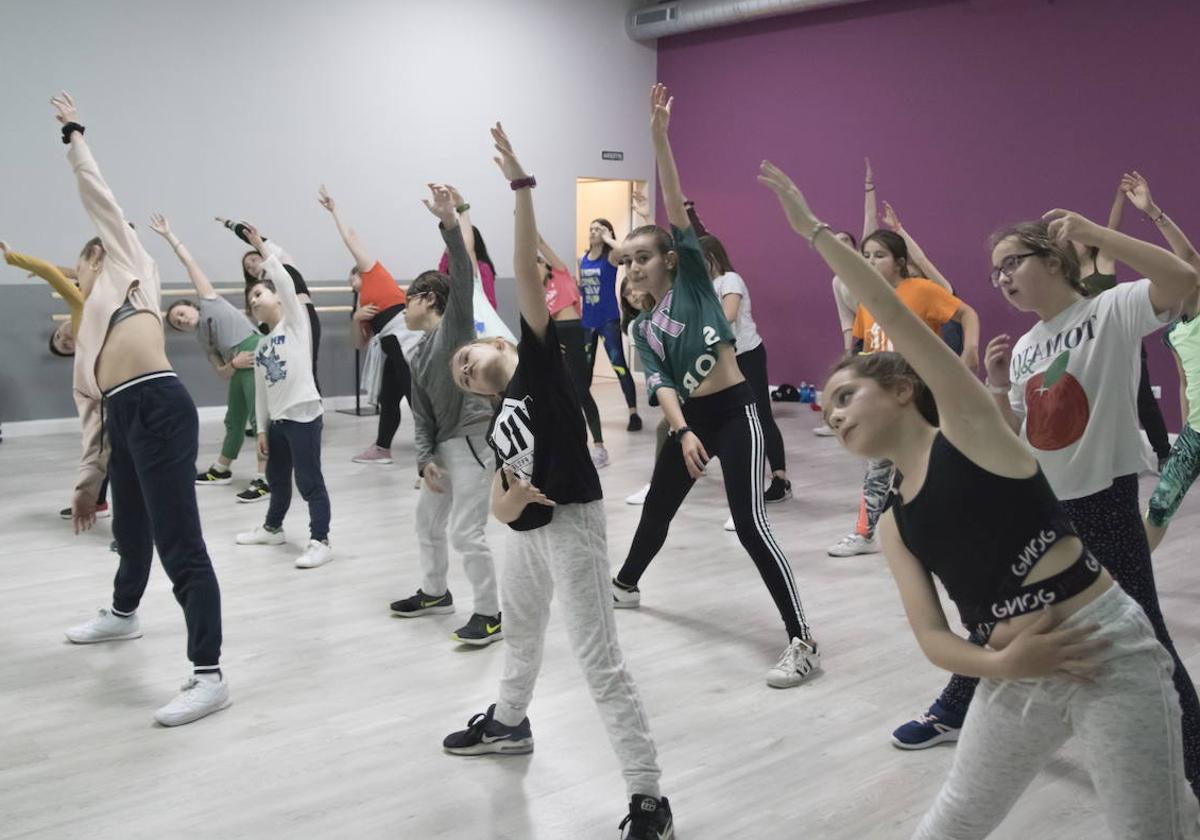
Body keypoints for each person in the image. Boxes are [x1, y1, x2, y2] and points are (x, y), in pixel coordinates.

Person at [759, 159, 1200, 838]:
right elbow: (935, 636)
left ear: (905, 388)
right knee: (950, 822)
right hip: (1019, 659)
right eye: (828, 407)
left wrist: (815, 231)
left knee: (1154, 821)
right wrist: (999, 664)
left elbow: (905, 327)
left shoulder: (975, 424)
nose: (835, 414)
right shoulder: (897, 522)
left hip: (1106, 636)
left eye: (847, 396)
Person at [890, 206, 1200, 795]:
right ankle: (955, 707)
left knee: (1147, 637)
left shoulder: (1108, 310)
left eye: (1012, 263)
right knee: (1004, 616)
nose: (1002, 278)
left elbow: (1184, 281)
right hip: (1040, 505)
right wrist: (1002, 383)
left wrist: (1097, 234)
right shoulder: (1030, 344)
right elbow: (1020, 440)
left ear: (1054, 260)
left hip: (1103, 503)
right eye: (995, 272)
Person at [443, 124, 673, 840]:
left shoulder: (539, 368)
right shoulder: (499, 416)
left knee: (600, 663)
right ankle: (510, 722)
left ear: (502, 342)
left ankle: (648, 798)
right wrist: (503, 503)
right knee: (521, 641)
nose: (465, 369)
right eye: (459, 374)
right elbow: (497, 495)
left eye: (470, 358)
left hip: (572, 530)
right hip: (525, 540)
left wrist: (519, 188)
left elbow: (518, 266)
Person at [612, 84, 819, 689]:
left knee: (751, 523)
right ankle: (623, 585)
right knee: (658, 506)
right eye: (626, 264)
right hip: (692, 422)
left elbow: (677, 206)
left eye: (641, 259)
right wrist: (679, 433)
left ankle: (802, 639)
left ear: (671, 259)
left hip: (736, 412)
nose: (633, 270)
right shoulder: (644, 326)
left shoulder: (697, 284)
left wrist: (658, 139)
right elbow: (663, 384)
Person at [52, 92, 229, 726]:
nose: (76, 270)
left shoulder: (129, 267)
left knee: (179, 542)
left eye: (80, 260)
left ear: (97, 255)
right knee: (129, 533)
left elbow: (100, 197)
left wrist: (74, 135)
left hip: (158, 404)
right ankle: (123, 615)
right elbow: (91, 418)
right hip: (124, 416)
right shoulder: (87, 343)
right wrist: (86, 482)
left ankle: (208, 674)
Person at [388, 183, 501, 646]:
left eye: (409, 297)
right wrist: (423, 459)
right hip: (443, 449)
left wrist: (450, 221)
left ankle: (491, 615)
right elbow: (420, 415)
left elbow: (462, 269)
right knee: (427, 523)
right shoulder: (416, 354)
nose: (403, 303)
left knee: (466, 533)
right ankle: (435, 592)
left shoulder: (455, 326)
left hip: (473, 443)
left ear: (429, 300)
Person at [826, 223, 979, 559]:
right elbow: (867, 347)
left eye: (878, 255)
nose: (870, 261)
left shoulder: (921, 290)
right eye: (865, 256)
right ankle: (864, 533)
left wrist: (969, 350)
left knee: (934, 463)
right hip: (883, 401)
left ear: (898, 260)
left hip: (922, 395)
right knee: (877, 466)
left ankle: (954, 527)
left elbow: (966, 313)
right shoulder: (869, 300)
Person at [234, 225, 333, 569]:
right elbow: (261, 391)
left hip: (304, 413)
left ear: (277, 297)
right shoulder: (261, 345)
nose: (254, 301)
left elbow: (285, 280)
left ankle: (320, 539)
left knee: (309, 481)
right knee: (277, 480)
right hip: (277, 422)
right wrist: (261, 429)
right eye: (250, 301)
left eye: (259, 294)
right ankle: (272, 528)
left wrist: (260, 246)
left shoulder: (295, 323)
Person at [153, 215, 269, 503]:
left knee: (260, 421)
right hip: (240, 364)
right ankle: (222, 469)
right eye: (178, 322)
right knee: (234, 420)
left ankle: (265, 478)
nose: (182, 319)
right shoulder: (203, 339)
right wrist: (233, 365)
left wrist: (169, 236)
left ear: (192, 307)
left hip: (255, 352)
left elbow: (190, 264)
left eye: (182, 313)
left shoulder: (210, 303)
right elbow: (221, 372)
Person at [1, 240, 116, 520]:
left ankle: (99, 502)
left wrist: (18, 258)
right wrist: (16, 258)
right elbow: (55, 273)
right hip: (113, 387)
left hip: (128, 379)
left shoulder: (90, 297)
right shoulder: (83, 309)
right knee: (109, 449)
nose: (65, 338)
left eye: (59, 336)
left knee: (113, 450)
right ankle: (99, 502)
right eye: (66, 345)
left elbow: (66, 273)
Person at [1115, 172, 1200, 552]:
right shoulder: (1173, 332)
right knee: (1160, 504)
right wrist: (1185, 428)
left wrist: (1152, 212)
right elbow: (1184, 382)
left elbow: (1188, 256)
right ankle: (1134, 577)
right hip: (1195, 433)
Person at [316, 185, 421, 465]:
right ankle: (382, 448)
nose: (350, 282)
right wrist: (356, 319)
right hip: (390, 347)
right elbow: (359, 343)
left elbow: (351, 237)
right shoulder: (361, 306)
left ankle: (431, 456)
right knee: (389, 399)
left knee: (414, 396)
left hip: (404, 340)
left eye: (352, 277)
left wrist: (334, 210)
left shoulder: (373, 272)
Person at [1075, 178, 1172, 469]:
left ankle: (1165, 453)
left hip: (1121, 335)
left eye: (1077, 237)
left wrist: (1120, 197)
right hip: (1091, 343)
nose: (1072, 242)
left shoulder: (1103, 259)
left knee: (1142, 397)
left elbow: (1111, 229)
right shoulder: (1068, 274)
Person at [703, 233, 792, 515]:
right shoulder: (704, 286)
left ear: (712, 257)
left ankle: (780, 479)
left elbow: (728, 315)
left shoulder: (730, 279)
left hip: (747, 354)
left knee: (761, 415)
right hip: (723, 358)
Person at [217, 216, 322, 389]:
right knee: (287, 367)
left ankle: (312, 412)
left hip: (301, 312)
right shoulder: (258, 289)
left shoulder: (281, 260)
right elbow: (262, 321)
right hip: (278, 324)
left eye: (252, 260)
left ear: (259, 254)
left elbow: (250, 235)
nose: (251, 266)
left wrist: (230, 224)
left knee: (308, 364)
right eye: (248, 268)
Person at [535, 231, 608, 456]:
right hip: (554, 337)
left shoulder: (560, 274)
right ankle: (567, 444)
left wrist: (528, 226)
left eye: (535, 265)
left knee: (581, 391)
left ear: (545, 266)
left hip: (573, 331)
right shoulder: (538, 293)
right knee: (556, 392)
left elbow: (540, 242)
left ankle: (599, 447)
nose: (531, 272)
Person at [581, 217, 644, 447]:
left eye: (598, 228)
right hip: (587, 322)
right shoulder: (583, 258)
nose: (593, 231)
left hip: (608, 320)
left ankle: (633, 413)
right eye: (591, 228)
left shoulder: (611, 257)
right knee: (583, 371)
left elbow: (627, 251)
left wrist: (608, 237)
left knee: (619, 365)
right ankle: (582, 412)